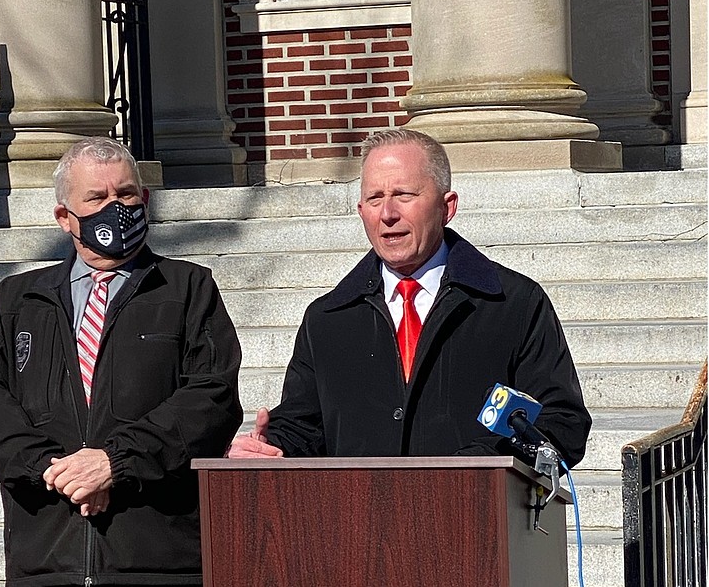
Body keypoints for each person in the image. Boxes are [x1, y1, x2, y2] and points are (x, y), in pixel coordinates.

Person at [0, 137, 243, 587]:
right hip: (46, 560)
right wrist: (54, 471)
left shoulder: (188, 288)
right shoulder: (20, 299)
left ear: (145, 199)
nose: (117, 206)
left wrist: (115, 462)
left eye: (126, 194)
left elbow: (213, 399)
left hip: (158, 561)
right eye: (97, 197)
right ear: (64, 217)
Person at [229, 128, 591, 466]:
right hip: (360, 523)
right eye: (374, 198)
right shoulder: (327, 319)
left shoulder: (513, 304)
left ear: (447, 206)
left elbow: (562, 423)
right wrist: (272, 445)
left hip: (477, 520)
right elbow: (305, 427)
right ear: (361, 212)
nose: (387, 214)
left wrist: (477, 465)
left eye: (404, 194)